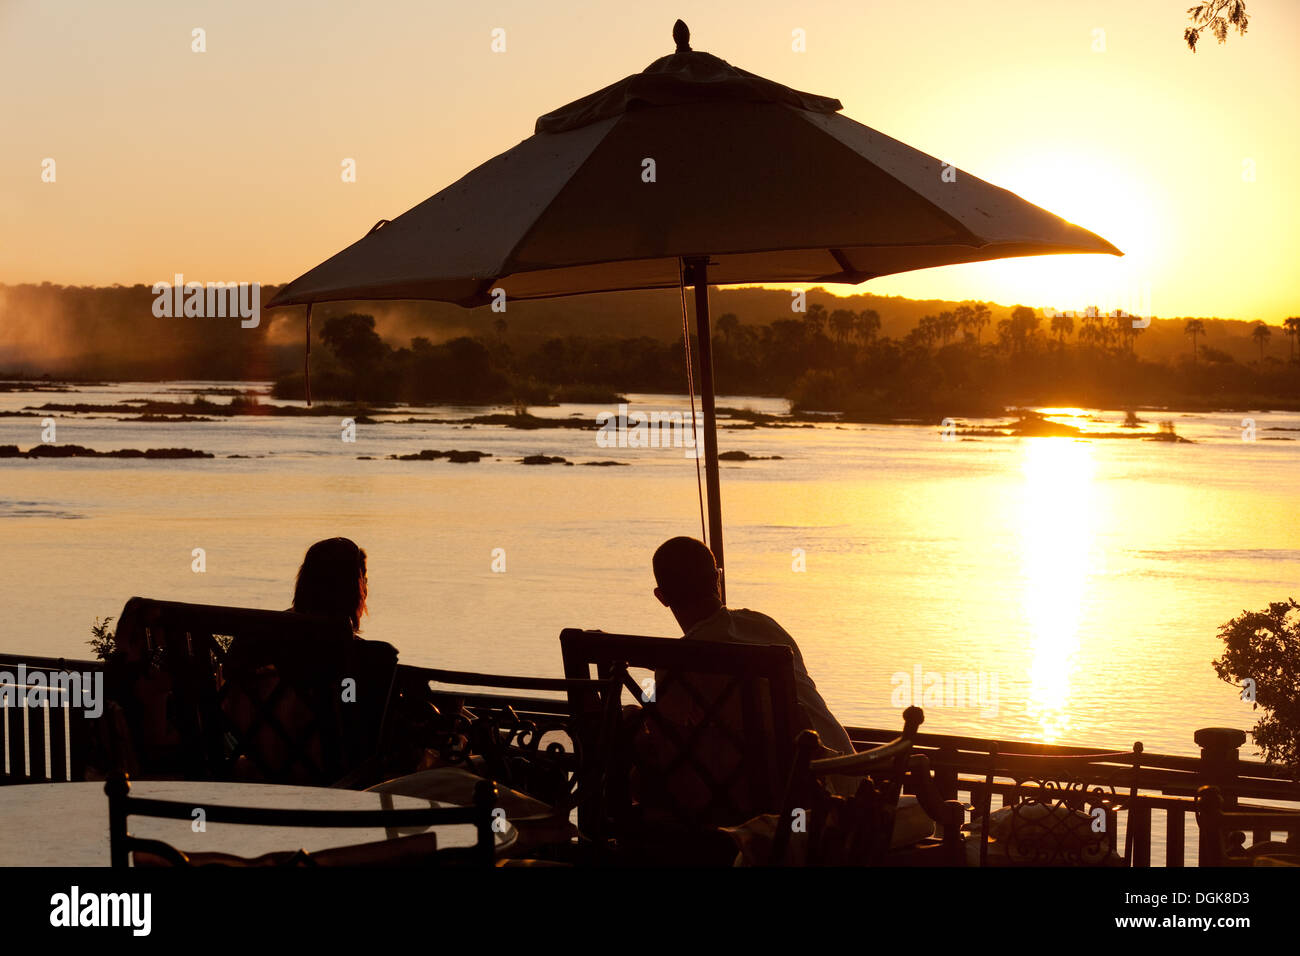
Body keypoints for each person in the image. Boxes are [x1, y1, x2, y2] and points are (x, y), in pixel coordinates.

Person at [650, 535, 855, 758]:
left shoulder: (678, 662)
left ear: (661, 597)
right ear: (717, 579)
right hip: (846, 770)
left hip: (790, 787)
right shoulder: (766, 626)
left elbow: (665, 742)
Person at [290, 536, 369, 634]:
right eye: (363, 580)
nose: (365, 588)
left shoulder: (274, 629)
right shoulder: (377, 649)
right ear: (352, 589)